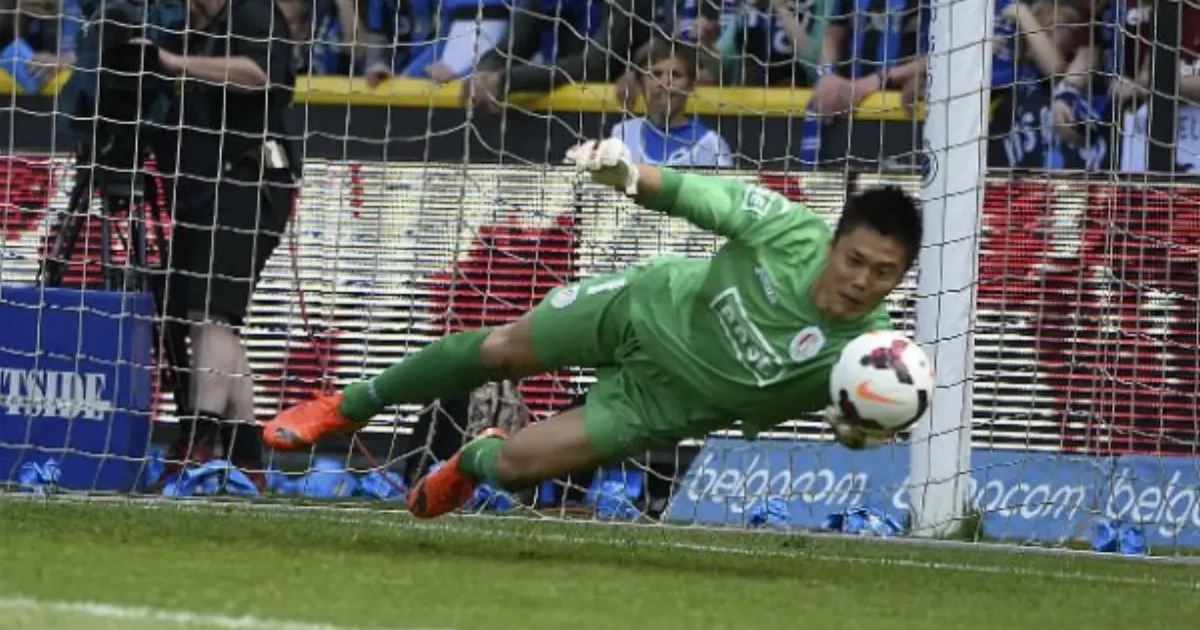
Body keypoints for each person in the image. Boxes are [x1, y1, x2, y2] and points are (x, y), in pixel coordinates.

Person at [262, 137, 922, 517]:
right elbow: (693, 194)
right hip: (642, 310)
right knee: (501, 350)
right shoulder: (788, 229)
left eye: (883, 273)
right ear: (833, 243)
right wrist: (628, 172)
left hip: (661, 405)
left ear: (900, 277)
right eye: (855, 260)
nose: (862, 281)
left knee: (517, 469)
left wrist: (856, 430)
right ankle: (347, 406)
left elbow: (857, 423)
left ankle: (473, 456)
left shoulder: (873, 357)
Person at [150, 0, 299, 490]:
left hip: (249, 178)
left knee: (210, 314)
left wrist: (173, 63)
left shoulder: (252, 12)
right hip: (201, 190)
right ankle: (247, 461)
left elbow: (257, 74)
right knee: (212, 323)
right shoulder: (180, 28)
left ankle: (196, 444)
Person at [610, 38, 734, 167]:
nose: (665, 83)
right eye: (656, 74)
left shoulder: (711, 145)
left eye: (676, 75)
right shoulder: (622, 134)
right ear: (640, 83)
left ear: (690, 86)